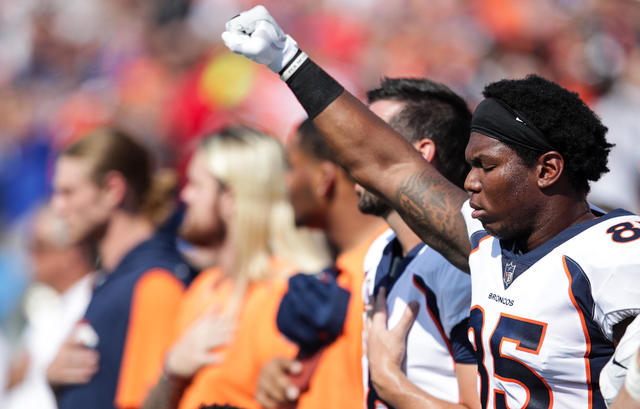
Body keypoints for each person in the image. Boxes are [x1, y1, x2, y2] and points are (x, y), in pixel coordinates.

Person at [222, 6, 640, 408]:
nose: (470, 180)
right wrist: (291, 62)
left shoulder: (614, 252)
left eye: (487, 166)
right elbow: (386, 164)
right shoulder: (487, 245)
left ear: (547, 169)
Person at [142, 126, 330, 409]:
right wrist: (172, 371)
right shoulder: (204, 287)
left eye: (196, 185)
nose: (186, 197)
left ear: (231, 200)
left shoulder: (286, 294)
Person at [48, 128, 193, 409]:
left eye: (68, 192)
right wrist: (54, 384)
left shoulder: (154, 282)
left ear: (113, 190)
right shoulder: (116, 278)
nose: (58, 207)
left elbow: (150, 401)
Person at [361, 77, 479, 409]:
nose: (351, 154)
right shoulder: (380, 250)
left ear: (421, 152)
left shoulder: (459, 264)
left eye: (367, 137)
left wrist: (389, 382)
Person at [255, 119, 386, 409]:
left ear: (323, 178)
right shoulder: (347, 272)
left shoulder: (386, 273)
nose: (285, 182)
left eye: (291, 168)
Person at [4, 204, 94, 409]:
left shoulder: (90, 303)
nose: (29, 257)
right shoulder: (50, 304)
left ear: (73, 253)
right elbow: (14, 376)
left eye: (39, 247)